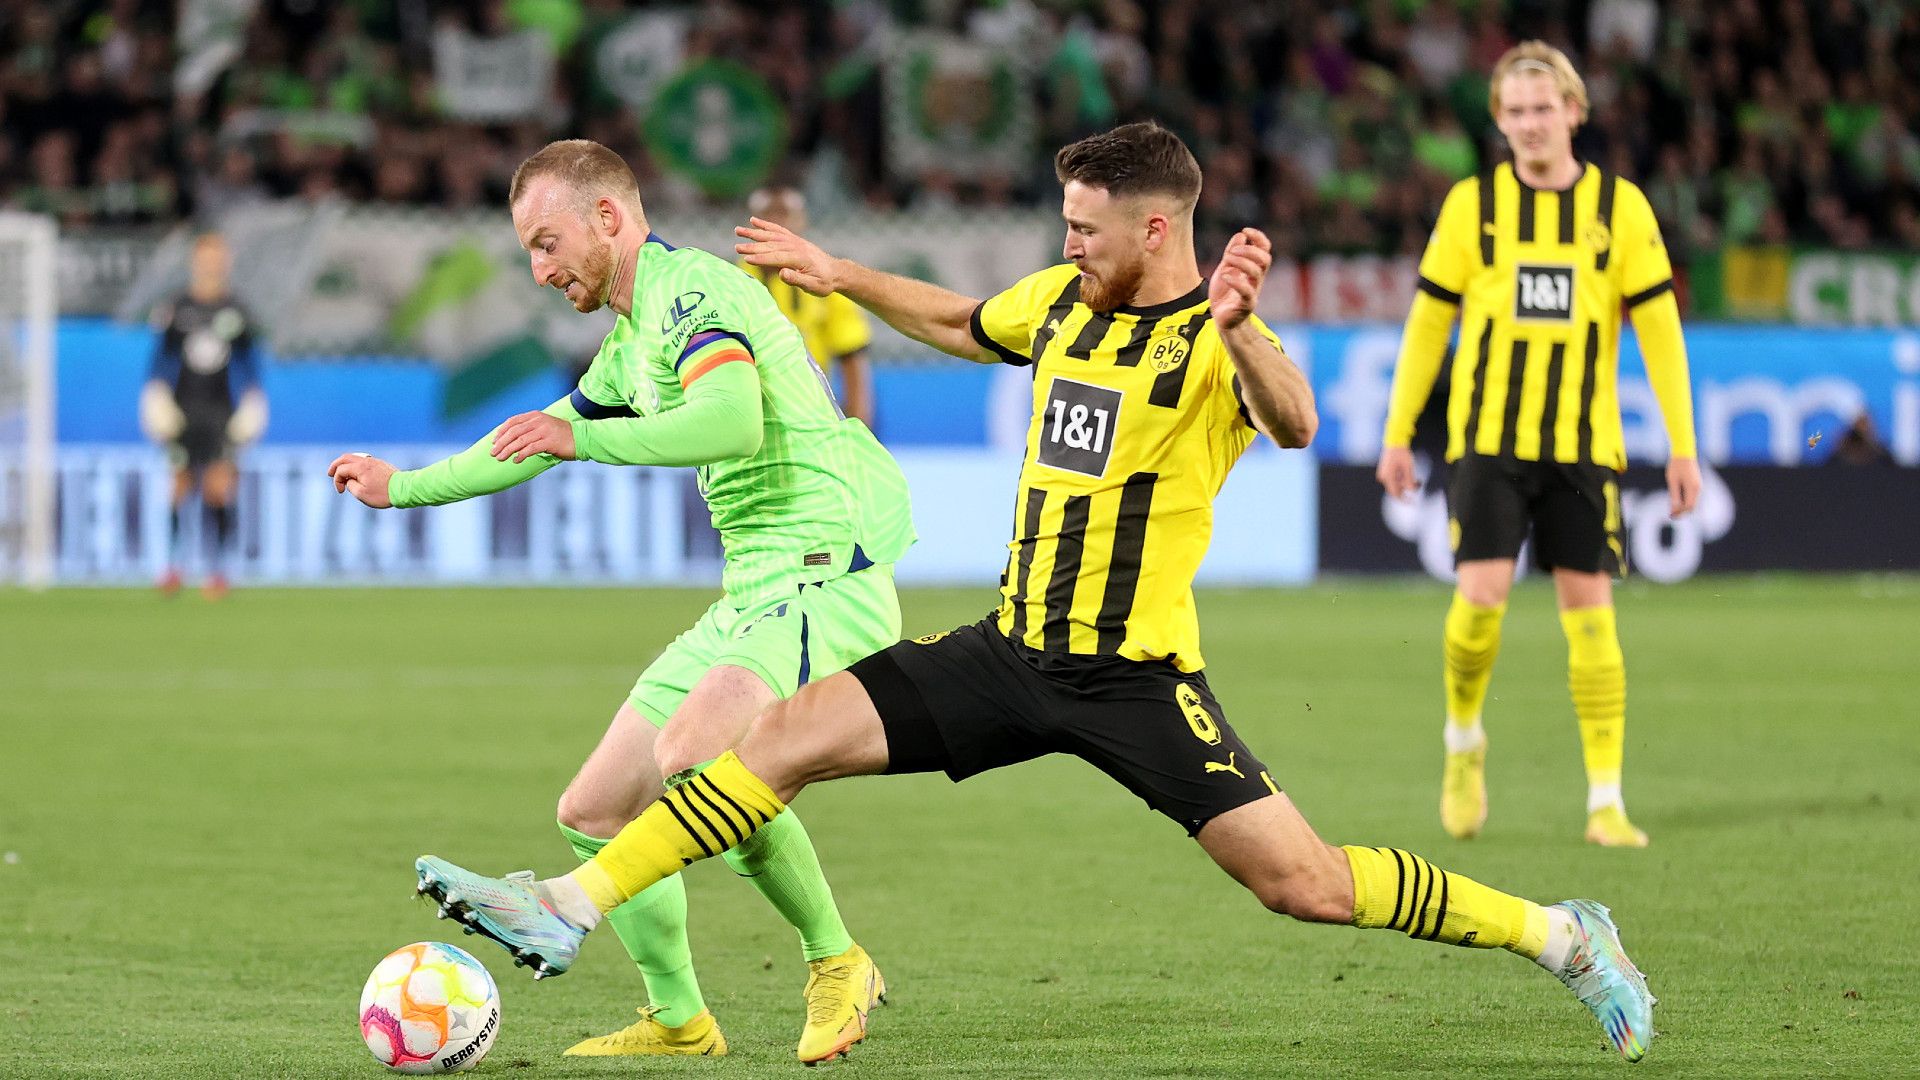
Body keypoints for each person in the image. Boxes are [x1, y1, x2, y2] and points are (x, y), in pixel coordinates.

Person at [412, 122, 1659, 1065]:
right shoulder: (1064, 306)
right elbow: (964, 320)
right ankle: (570, 905)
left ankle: (1561, 933)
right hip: (1011, 652)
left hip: (1135, 681)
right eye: (1066, 225)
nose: (1067, 246)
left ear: (1156, 230)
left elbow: (1297, 420)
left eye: (1085, 228)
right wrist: (837, 273)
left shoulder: (1213, 345)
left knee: (1307, 885)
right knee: (777, 737)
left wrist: (1238, 329)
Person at [328, 140, 915, 1065]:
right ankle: (681, 1019)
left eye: (547, 242)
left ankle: (837, 960)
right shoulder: (633, 337)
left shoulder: (695, 295)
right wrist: (402, 487)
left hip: (823, 572)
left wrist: (583, 442)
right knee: (594, 807)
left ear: (609, 219)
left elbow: (733, 420)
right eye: (529, 250)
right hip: (755, 589)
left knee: (697, 756)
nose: (540, 269)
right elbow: (527, 439)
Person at [1376, 42, 1701, 849]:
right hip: (1486, 441)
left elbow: (1660, 332)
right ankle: (1462, 744)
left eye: (1542, 108)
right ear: (1499, 120)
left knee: (1591, 619)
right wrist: (1395, 433)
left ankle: (1605, 801)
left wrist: (1684, 447)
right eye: (1514, 112)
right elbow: (1427, 327)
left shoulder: (1620, 210)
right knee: (1478, 604)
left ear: (1574, 113)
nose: (1528, 124)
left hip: (1584, 446)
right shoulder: (1471, 207)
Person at [139, 231, 265, 599]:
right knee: (179, 486)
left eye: (217, 258)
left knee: (217, 488)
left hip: (221, 412)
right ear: (195, 262)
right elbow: (160, 361)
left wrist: (254, 402)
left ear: (225, 263)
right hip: (184, 410)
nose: (211, 265)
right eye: (205, 257)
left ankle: (220, 570)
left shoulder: (237, 310)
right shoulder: (176, 308)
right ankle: (175, 566)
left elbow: (249, 365)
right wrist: (156, 397)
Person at [740, 186, 875, 426]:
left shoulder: (827, 282)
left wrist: (858, 430)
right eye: (768, 216)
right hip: (749, 409)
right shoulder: (733, 280)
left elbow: (852, 356)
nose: (776, 224)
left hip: (811, 409)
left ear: (801, 223)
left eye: (785, 216)